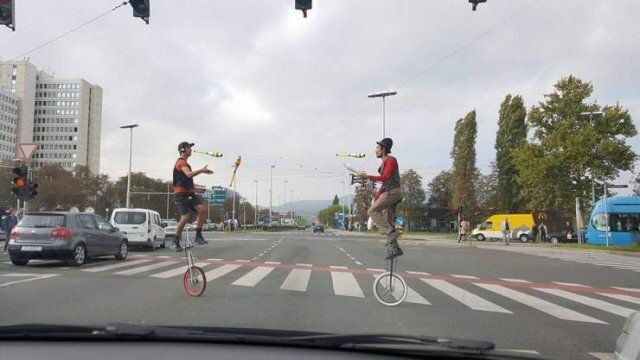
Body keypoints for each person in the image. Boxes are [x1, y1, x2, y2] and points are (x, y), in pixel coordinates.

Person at [358, 138, 403, 259]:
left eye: (378, 148)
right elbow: (383, 184)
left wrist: (367, 176)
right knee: (386, 222)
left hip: (393, 192)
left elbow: (385, 177)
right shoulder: (383, 163)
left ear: (384, 149)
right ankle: (395, 248)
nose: (375, 150)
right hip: (389, 192)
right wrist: (377, 196)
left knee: (371, 211)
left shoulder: (391, 160)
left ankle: (391, 233)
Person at [172, 141, 213, 252]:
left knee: (202, 209)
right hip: (181, 195)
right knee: (185, 217)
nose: (191, 149)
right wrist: (202, 170)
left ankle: (198, 236)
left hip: (189, 193)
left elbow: (186, 181)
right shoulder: (181, 163)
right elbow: (189, 174)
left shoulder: (185, 163)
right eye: (189, 148)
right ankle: (176, 239)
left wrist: (196, 188)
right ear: (183, 150)